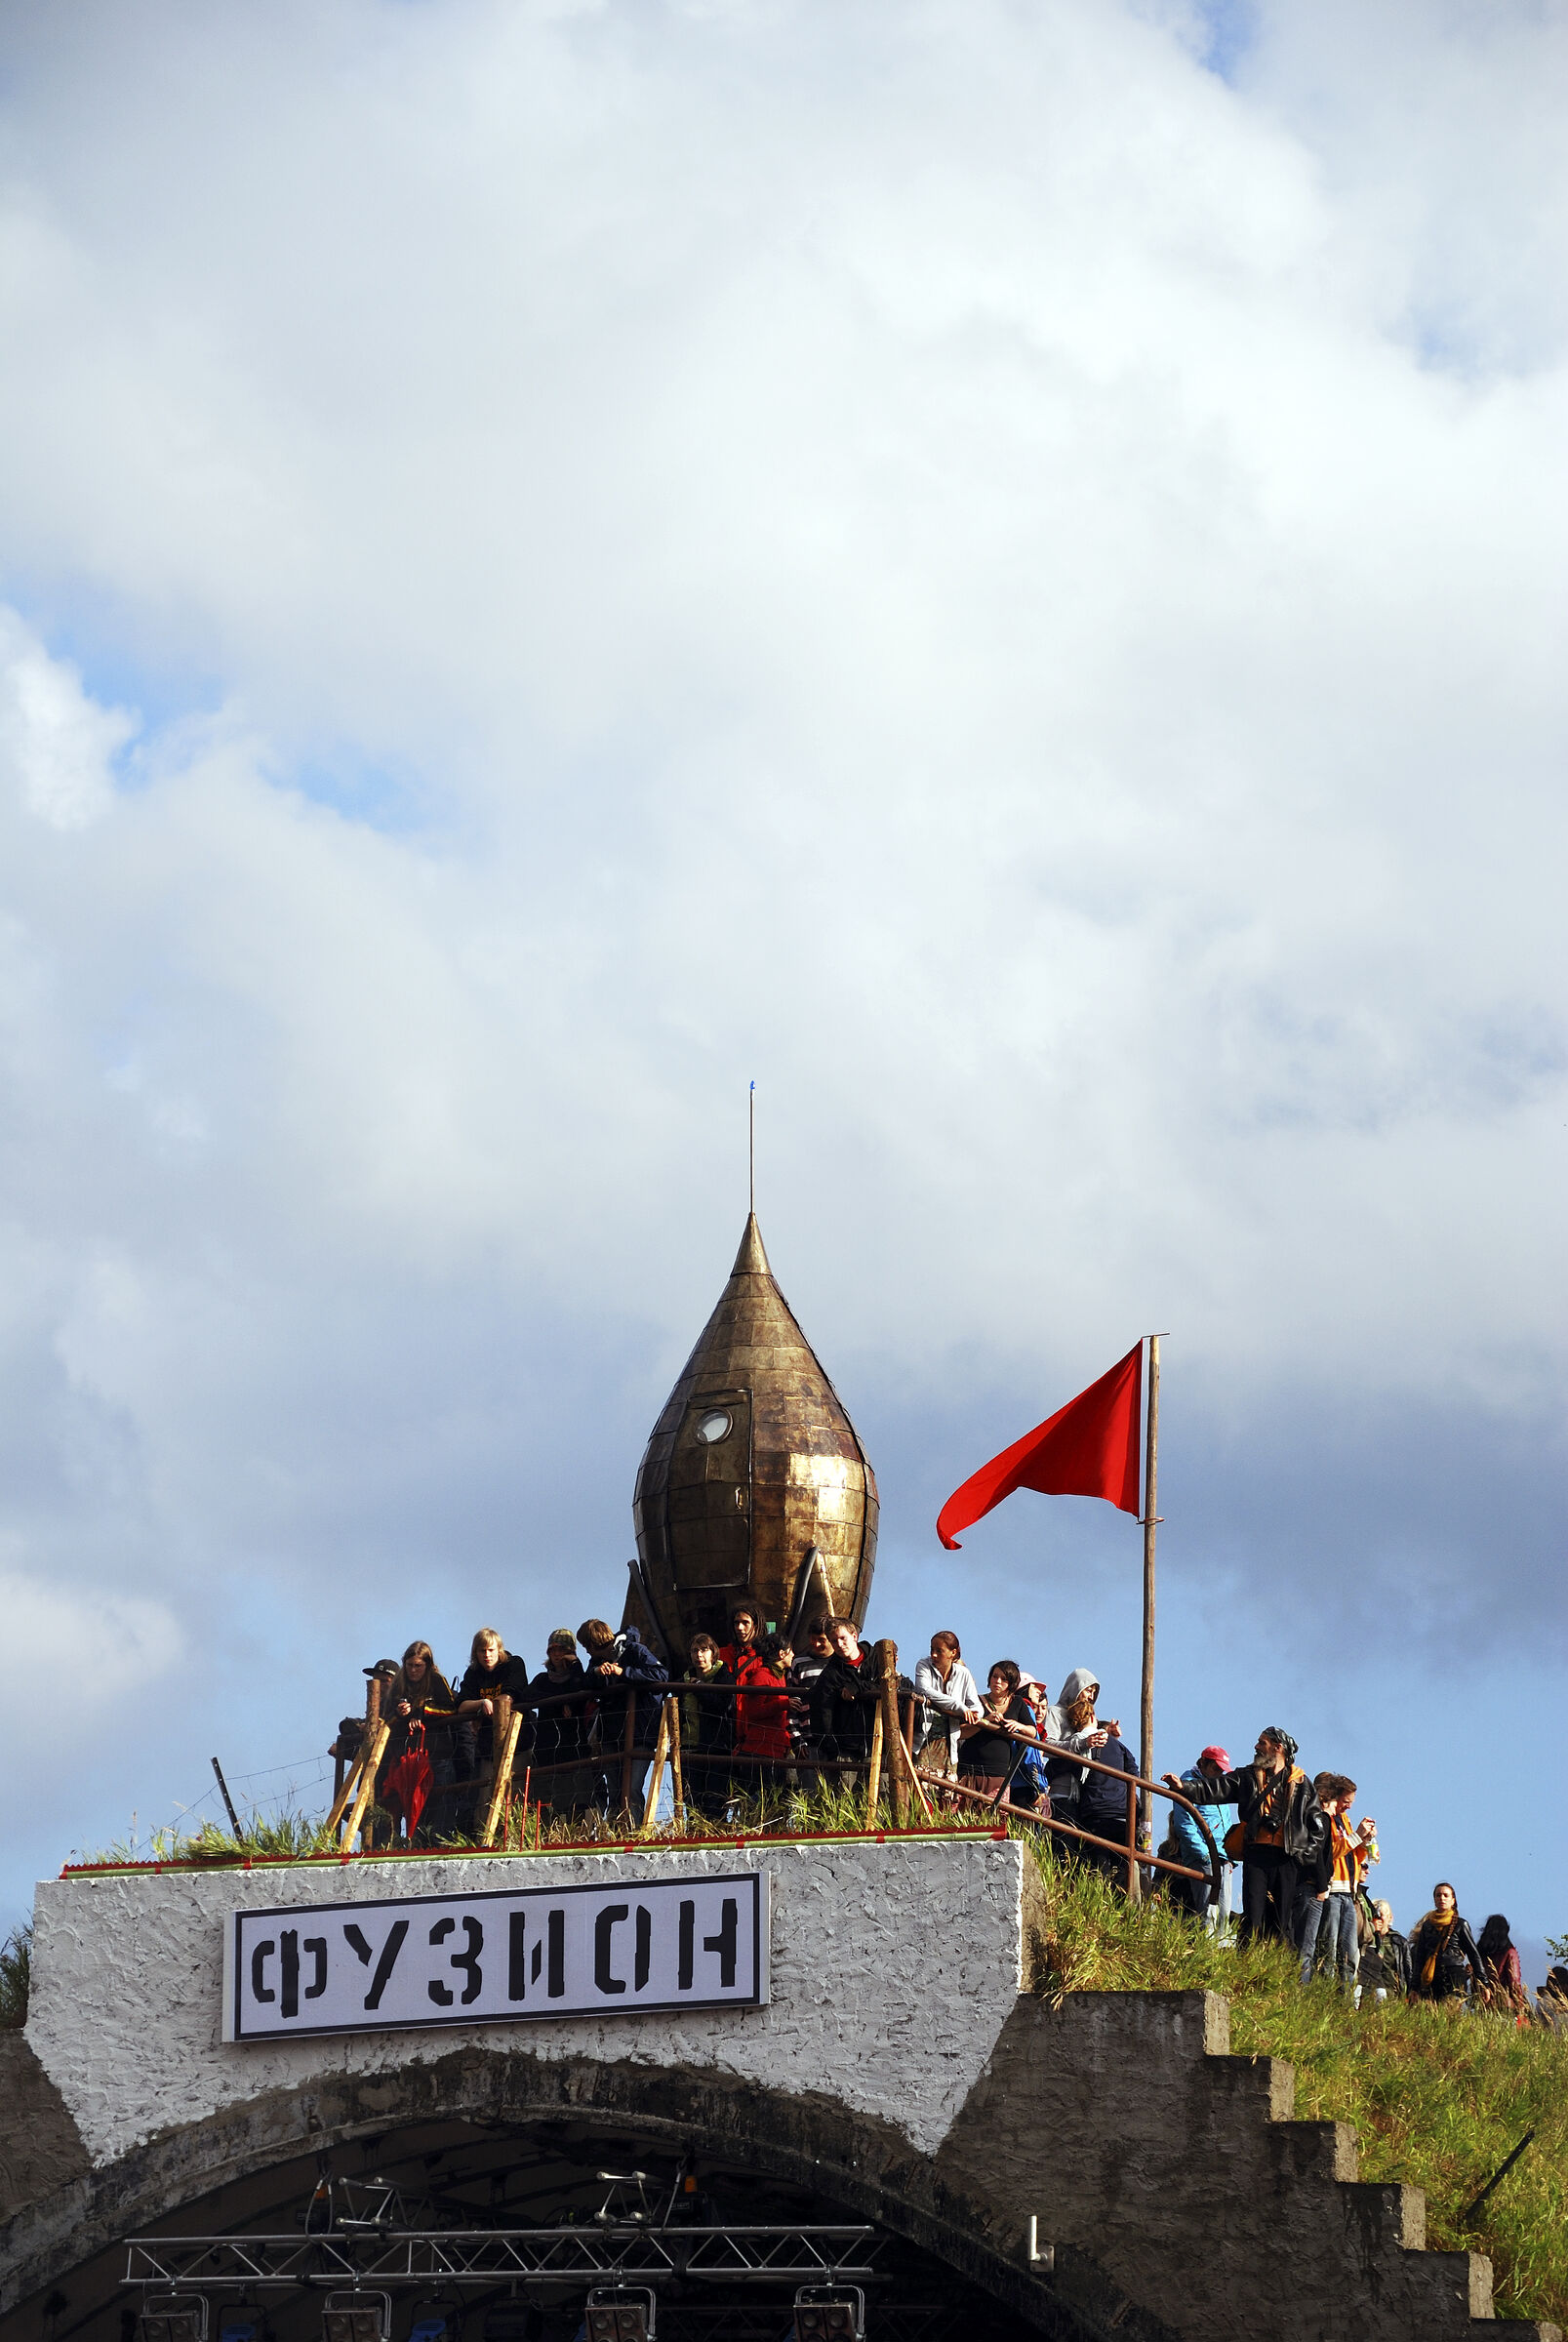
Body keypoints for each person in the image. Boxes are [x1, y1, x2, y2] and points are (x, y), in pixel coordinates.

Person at [1172, 1730, 1324, 1947]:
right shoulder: (1249, 1776)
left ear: (1278, 1748)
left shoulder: (1302, 1784)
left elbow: (1317, 1826)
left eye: (1262, 1743)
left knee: (1283, 1920)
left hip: (1287, 1857)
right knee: (1253, 1914)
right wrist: (1184, 1787)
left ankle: (1276, 1970)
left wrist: (1304, 1856)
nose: (1256, 1747)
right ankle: (1246, 1962)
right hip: (1256, 1853)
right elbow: (1217, 1787)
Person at [579, 1618, 668, 1820]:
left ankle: (636, 1830)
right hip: (612, 1733)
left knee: (633, 1788)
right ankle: (616, 1830)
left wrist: (623, 1672)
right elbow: (585, 1682)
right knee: (615, 1790)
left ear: (592, 1644)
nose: (586, 1651)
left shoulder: (635, 1650)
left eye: (586, 1646)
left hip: (639, 1732)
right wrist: (596, 1673)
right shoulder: (597, 1662)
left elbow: (661, 1674)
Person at [1297, 1775, 1377, 1989]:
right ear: (1335, 1797)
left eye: (1351, 1803)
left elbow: (1353, 1856)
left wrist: (1364, 1841)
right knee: (1328, 1948)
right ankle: (1324, 1993)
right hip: (1332, 1889)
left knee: (1350, 1953)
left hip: (1349, 1892)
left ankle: (1346, 2000)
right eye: (1345, 1801)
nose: (1348, 1807)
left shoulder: (1345, 1820)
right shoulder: (1325, 1817)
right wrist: (1355, 1837)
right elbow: (1328, 1853)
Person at [453, 1629, 532, 1831]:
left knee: (516, 1794)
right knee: (485, 1796)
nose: (486, 1655)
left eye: (490, 1650)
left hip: (518, 1743)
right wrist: (482, 1702)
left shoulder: (514, 1665)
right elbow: (461, 1705)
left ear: (499, 1649)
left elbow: (510, 1696)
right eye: (481, 1651)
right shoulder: (473, 1674)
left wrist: (490, 1706)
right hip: (488, 1747)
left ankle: (515, 1836)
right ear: (475, 1653)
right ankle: (485, 1839)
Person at [382, 1640, 457, 1841]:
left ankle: (441, 1842)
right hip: (408, 1759)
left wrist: (422, 1712)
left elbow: (451, 1708)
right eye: (409, 1665)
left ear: (428, 1665)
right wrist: (399, 1714)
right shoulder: (398, 1685)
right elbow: (386, 1721)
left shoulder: (436, 1680)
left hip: (437, 1754)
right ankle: (415, 1843)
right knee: (413, 1805)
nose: (413, 1670)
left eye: (418, 1666)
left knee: (440, 1801)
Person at [523, 1629, 596, 1823]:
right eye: (553, 1650)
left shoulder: (578, 1676)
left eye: (562, 1649)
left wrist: (575, 1665)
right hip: (547, 1752)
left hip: (574, 1750)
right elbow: (527, 1695)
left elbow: (583, 1687)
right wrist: (559, 1701)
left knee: (578, 1805)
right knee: (546, 1807)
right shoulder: (542, 1679)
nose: (557, 1654)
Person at [1043, 1669, 1120, 1836]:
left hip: (1085, 1794)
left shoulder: (1090, 1721)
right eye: (1088, 1690)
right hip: (1061, 1790)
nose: (1091, 1696)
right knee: (1064, 1843)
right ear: (1076, 1687)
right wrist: (1081, 1744)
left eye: (1094, 1692)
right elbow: (1046, 1745)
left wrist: (1110, 1735)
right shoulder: (1054, 1713)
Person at [1162, 1746, 1233, 1918]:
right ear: (1203, 1764)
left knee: (1223, 1912)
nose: (1219, 1774)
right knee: (1209, 1910)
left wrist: (1230, 1856)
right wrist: (1204, 1854)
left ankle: (1221, 1946)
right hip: (1204, 1856)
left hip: (1223, 1856)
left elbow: (1227, 1822)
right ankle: (1208, 1944)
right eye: (1215, 1768)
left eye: (1222, 1771)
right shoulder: (1189, 1783)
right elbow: (1184, 1824)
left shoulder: (1218, 1786)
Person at [956, 1662, 1039, 1807]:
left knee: (993, 1820)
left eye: (1004, 1679)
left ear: (1012, 1683)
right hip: (968, 1769)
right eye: (995, 1676)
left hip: (998, 1773)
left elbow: (1032, 1732)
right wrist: (985, 1722)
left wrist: (1018, 1725)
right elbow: (961, 1731)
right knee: (963, 1815)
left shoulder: (1017, 1703)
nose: (998, 1681)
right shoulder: (976, 1701)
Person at [808, 1616, 880, 1772]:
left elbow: (892, 1686)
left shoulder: (877, 1660)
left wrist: (858, 1687)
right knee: (844, 1794)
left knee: (883, 1795)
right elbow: (821, 1712)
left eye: (842, 1638)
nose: (839, 1644)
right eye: (834, 1641)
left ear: (854, 1636)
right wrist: (831, 1747)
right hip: (847, 1750)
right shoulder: (830, 1675)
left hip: (880, 1744)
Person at [681, 1632, 736, 1821]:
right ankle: (694, 1835)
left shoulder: (724, 1676)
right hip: (689, 1746)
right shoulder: (684, 1679)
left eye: (704, 1650)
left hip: (717, 1747)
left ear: (713, 1653)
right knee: (692, 1801)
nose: (699, 1655)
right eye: (694, 1651)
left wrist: (699, 1689)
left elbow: (721, 1706)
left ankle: (716, 1831)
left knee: (715, 1799)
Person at [912, 1632, 982, 1780]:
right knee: (919, 1788)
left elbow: (977, 1706)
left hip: (950, 1743)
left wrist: (973, 1714)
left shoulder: (964, 1673)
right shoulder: (923, 1665)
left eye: (939, 1651)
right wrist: (959, 1706)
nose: (934, 1655)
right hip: (925, 1739)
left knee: (944, 1794)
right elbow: (925, 1691)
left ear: (953, 1653)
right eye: (932, 1649)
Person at [1075, 1722, 1139, 1884]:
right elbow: (1135, 1775)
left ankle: (1098, 1903)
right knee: (1122, 1868)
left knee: (1098, 1865)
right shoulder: (1120, 1748)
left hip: (1095, 1811)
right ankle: (1119, 1905)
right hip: (1121, 1814)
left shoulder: (1083, 1741)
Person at [734, 1633, 793, 1798]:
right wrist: (784, 1704)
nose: (793, 1655)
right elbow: (753, 1711)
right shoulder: (762, 1676)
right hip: (760, 1749)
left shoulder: (779, 1677)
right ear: (782, 1654)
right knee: (760, 1800)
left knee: (773, 1801)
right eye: (791, 1651)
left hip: (774, 1749)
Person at [1408, 1882, 1488, 2005]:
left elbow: (1474, 1955)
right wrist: (1414, 1987)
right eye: (1438, 1895)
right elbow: (1420, 1958)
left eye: (1446, 1895)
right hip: (1432, 1979)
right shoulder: (1427, 1926)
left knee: (1450, 2011)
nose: (1442, 1898)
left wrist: (1484, 1983)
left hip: (1454, 1977)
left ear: (1453, 1900)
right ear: (1434, 1900)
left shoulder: (1461, 1925)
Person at [787, 1616, 833, 1760]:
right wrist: (797, 1740)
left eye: (821, 1640)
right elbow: (791, 1703)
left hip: (838, 1741)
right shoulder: (799, 1663)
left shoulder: (843, 1663)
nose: (816, 1644)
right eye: (813, 1639)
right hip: (808, 1741)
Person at [1356, 1900, 1411, 2003]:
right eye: (1376, 1915)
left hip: (1394, 1995)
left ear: (1390, 1917)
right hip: (1369, 1992)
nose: (1379, 1918)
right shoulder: (1365, 1940)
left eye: (1382, 1915)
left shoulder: (1398, 1941)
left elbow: (1408, 1969)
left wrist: (1409, 1993)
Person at [1476, 1915, 1527, 2016]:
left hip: (1482, 2004)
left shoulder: (1480, 1951)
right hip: (1504, 2005)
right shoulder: (1509, 1952)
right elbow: (1514, 1982)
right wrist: (1520, 2005)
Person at [718, 1601, 761, 1676]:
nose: (739, 1627)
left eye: (745, 1622)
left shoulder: (764, 1658)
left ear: (755, 1625)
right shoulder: (720, 1655)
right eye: (736, 1623)